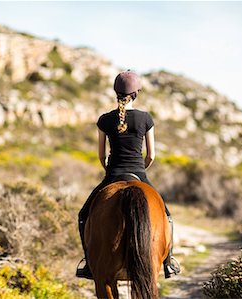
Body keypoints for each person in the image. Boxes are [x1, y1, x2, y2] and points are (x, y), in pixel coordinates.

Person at [76, 70, 180, 279]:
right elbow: (151, 155)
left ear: (116, 93)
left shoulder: (104, 120)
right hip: (139, 173)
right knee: (166, 217)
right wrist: (141, 170)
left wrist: (110, 170)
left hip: (113, 174)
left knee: (83, 215)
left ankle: (88, 263)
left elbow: (100, 156)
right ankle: (168, 263)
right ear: (136, 93)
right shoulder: (145, 118)